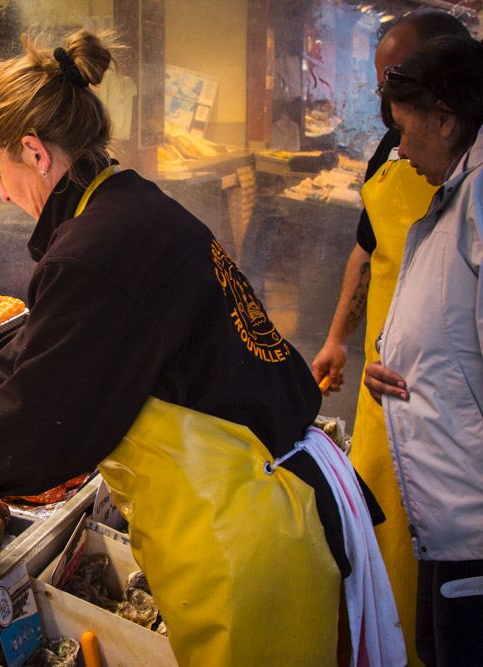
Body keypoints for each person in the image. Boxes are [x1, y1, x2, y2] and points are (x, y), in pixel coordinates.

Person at [0, 29, 400, 666]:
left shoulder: (96, 249)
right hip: (275, 493)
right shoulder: (126, 204)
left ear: (35, 153)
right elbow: (75, 337)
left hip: (247, 527)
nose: (2, 194)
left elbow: (51, 419)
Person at [309, 12, 470, 664]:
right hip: (383, 399)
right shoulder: (392, 151)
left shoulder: (471, 186)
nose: (387, 115)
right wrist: (336, 338)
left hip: (452, 424)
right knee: (382, 553)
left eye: (396, 86)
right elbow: (364, 251)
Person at [364, 35, 483, 666]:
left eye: (407, 130)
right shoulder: (459, 188)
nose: (400, 149)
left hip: (474, 521)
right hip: (448, 518)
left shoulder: (481, 195)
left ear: (445, 117)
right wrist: (405, 362)